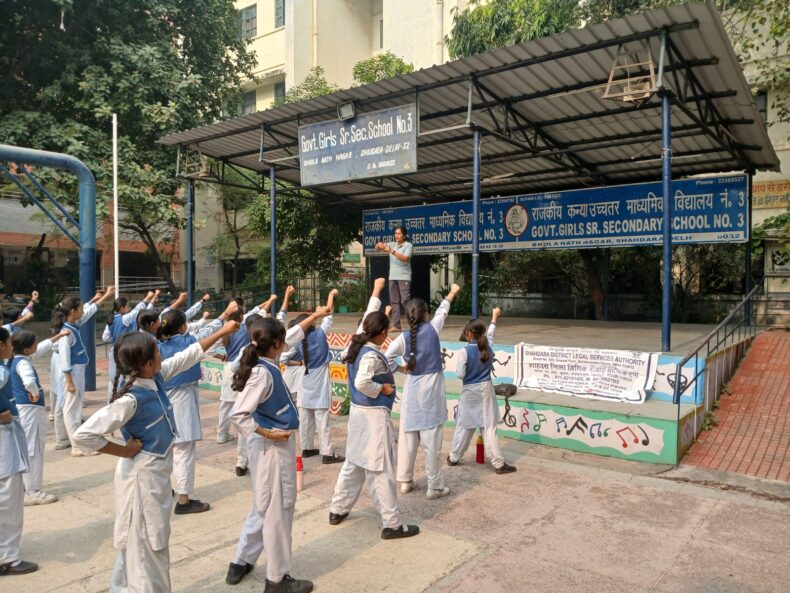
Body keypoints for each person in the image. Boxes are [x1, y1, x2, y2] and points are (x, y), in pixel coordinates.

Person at [72, 319, 240, 593]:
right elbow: (84, 435)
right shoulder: (131, 399)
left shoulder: (154, 378)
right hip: (142, 481)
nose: (163, 353)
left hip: (154, 478)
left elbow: (188, 356)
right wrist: (124, 450)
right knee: (149, 550)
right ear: (147, 364)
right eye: (158, 351)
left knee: (138, 550)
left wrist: (222, 332)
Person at [224, 309, 329, 591]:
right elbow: (239, 415)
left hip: (266, 447)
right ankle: (277, 578)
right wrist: (269, 432)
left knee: (263, 505)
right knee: (278, 513)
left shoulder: (265, 360)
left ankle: (242, 560)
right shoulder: (263, 373)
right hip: (272, 448)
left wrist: (317, 314)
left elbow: (294, 335)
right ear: (278, 344)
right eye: (284, 340)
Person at [328, 278, 420, 539]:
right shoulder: (369, 354)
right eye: (387, 332)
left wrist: (377, 293)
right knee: (381, 470)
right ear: (380, 334)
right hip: (373, 417)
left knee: (354, 463)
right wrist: (384, 390)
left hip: (358, 416)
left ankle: (338, 508)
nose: (388, 336)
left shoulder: (357, 346)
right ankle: (392, 524)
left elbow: (367, 321)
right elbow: (363, 381)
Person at [157, 300, 240, 514]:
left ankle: (165, 489)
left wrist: (224, 315)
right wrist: (225, 319)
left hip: (162, 401)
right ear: (183, 326)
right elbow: (208, 333)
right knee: (185, 449)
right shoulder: (187, 342)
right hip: (182, 397)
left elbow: (207, 331)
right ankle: (184, 500)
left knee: (167, 449)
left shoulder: (157, 345)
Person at [385, 284, 461, 500]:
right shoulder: (433, 328)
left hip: (412, 389)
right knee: (432, 441)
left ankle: (405, 481)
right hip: (432, 392)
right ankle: (434, 486)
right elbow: (443, 311)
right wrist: (452, 292)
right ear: (426, 315)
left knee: (408, 438)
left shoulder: (402, 338)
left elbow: (386, 358)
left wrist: (399, 368)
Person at [447, 309, 516, 474]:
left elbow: (460, 375)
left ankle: (453, 457)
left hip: (470, 391)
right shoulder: (488, 346)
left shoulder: (464, 352)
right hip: (486, 389)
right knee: (489, 427)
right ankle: (498, 464)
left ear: (469, 334)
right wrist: (494, 317)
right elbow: (491, 333)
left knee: (465, 425)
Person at [10, 329, 70, 506]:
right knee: (34, 448)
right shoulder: (25, 364)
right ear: (28, 349)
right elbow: (29, 381)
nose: (38, 345)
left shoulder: (16, 359)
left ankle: (24, 487)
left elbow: (43, 346)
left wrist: (58, 336)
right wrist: (34, 392)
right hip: (30, 410)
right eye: (34, 343)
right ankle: (33, 490)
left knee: (25, 447)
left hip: (21, 409)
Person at [52, 287, 116, 454]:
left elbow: (89, 310)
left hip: (76, 373)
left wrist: (101, 298)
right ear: (73, 311)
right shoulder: (66, 333)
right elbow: (66, 359)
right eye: (80, 308)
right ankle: (77, 445)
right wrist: (69, 382)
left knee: (73, 408)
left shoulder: (73, 325)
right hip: (71, 374)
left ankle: (71, 442)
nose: (83, 310)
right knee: (71, 411)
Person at [0, 326, 38, 575]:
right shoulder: (1, 372)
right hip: (4, 444)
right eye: (8, 341)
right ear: (3, 346)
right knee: (9, 501)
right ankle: (9, 558)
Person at [290, 288, 344, 464]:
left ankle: (306, 448)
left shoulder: (296, 341)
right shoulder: (321, 334)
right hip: (320, 382)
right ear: (312, 324)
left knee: (305, 419)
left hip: (304, 381)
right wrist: (330, 295)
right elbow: (328, 313)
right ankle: (327, 452)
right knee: (322, 419)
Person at [103, 291, 157, 400]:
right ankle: (119, 399)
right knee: (125, 377)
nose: (129, 308)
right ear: (122, 308)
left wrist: (116, 337)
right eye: (127, 306)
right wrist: (148, 298)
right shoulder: (125, 319)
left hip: (115, 349)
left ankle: (110, 401)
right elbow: (138, 311)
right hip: (125, 350)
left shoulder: (112, 320)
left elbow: (105, 337)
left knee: (114, 379)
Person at [375, 225, 412, 331]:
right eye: (395, 233)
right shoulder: (392, 244)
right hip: (393, 276)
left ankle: (413, 323)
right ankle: (396, 325)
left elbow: (405, 258)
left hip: (404, 276)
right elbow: (377, 249)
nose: (396, 235)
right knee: (394, 301)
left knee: (405, 300)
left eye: (399, 233)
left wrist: (391, 251)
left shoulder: (408, 245)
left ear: (404, 235)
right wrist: (379, 245)